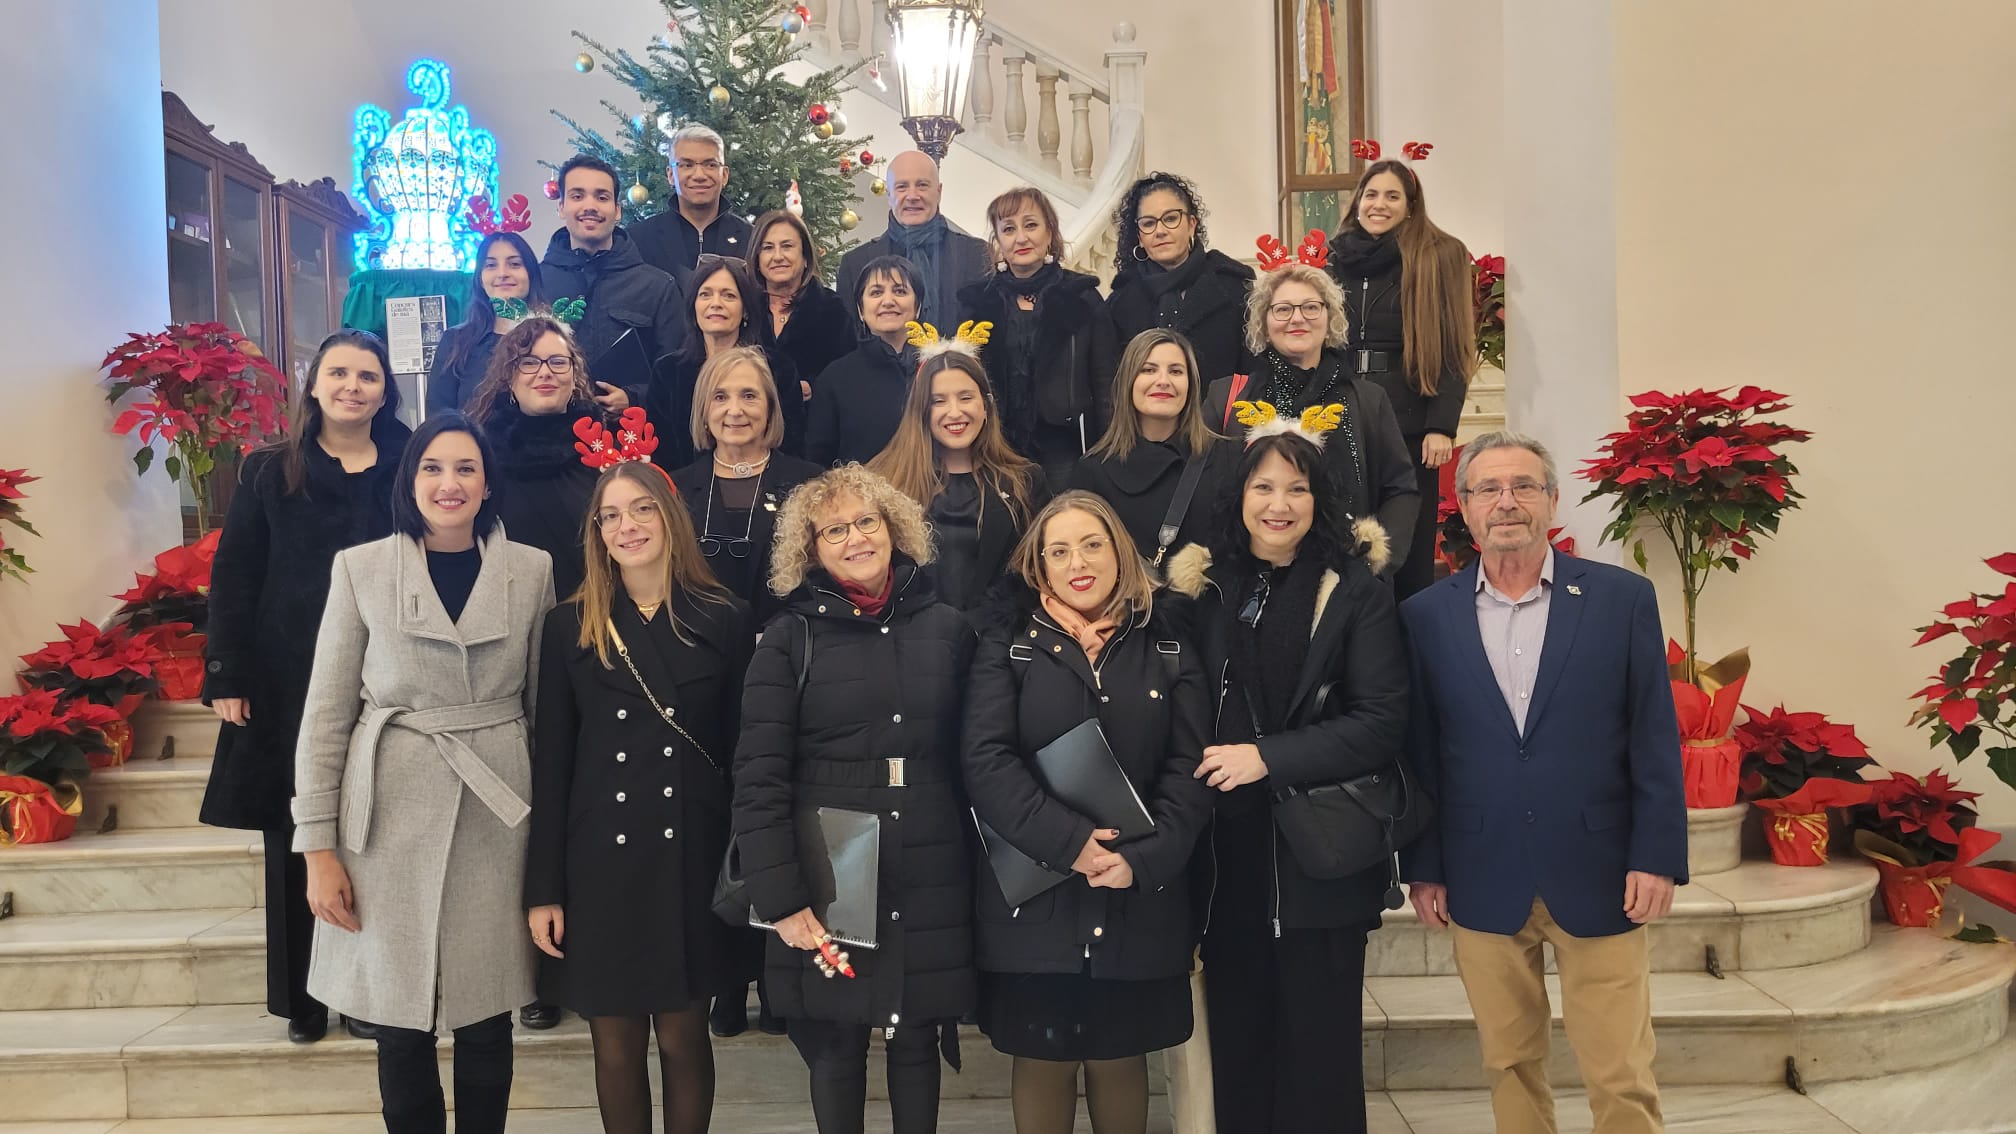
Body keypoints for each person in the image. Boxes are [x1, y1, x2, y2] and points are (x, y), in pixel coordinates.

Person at [1402, 431, 1686, 1134]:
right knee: (1509, 1066)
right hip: (1480, 871)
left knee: (1620, 1071)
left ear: (1552, 500)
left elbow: (1654, 734)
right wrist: (1426, 866)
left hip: (1600, 869)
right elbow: (1423, 753)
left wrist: (1657, 855)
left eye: (1524, 486)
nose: (1507, 502)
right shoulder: (1424, 617)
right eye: (1488, 489)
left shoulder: (1622, 600)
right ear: (1463, 508)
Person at [292, 414, 555, 1134]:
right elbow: (325, 715)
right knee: (396, 1014)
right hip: (385, 812)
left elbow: (545, 709)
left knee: (486, 1012)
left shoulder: (531, 570)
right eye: (433, 468)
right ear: (410, 481)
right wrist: (318, 847)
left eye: (466, 468)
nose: (450, 483)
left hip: (499, 808)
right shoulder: (362, 568)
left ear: (488, 481)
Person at [1163, 428, 1408, 1134]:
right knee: (1239, 1058)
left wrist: (1268, 756)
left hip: (1322, 865)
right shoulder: (1206, 590)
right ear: (1238, 496)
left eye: (1297, 488)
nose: (1279, 504)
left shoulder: (1356, 590)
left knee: (1320, 1067)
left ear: (1320, 497)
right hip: (1225, 864)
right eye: (1263, 487)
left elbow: (1379, 723)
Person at [731, 464, 977, 1134]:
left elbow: (978, 757)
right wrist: (780, 897)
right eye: (833, 529)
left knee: (917, 1036)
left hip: (929, 862)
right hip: (829, 871)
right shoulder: (788, 639)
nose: (855, 537)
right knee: (836, 1042)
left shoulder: (950, 629)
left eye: (867, 521)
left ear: (895, 529)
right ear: (810, 550)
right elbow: (758, 776)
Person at [962, 491, 1213, 1134]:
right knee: (1042, 1058)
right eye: (1059, 550)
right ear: (1038, 567)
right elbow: (986, 761)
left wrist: (1143, 859)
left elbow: (1190, 769)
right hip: (1037, 898)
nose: (1078, 561)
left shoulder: (1169, 641)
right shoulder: (1007, 643)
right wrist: (1071, 843)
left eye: (1093, 544)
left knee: (1119, 1056)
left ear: (1120, 551)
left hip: (1137, 894)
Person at [527, 455, 754, 1134]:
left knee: (685, 1038)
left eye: (641, 509)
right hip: (601, 862)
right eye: (611, 516)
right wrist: (544, 889)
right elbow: (553, 766)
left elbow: (746, 754)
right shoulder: (569, 627)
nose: (627, 526)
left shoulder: (726, 617)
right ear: (596, 533)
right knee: (615, 1044)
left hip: (691, 854)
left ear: (670, 517)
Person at [201, 330, 412, 1044]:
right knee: (295, 834)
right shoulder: (268, 469)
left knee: (372, 834)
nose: (354, 386)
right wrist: (226, 671)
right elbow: (235, 573)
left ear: (386, 389)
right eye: (340, 373)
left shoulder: (409, 461)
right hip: (286, 676)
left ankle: (363, 991)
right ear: (315, 385)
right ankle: (301, 999)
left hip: (383, 678)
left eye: (368, 376)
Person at [1202, 262, 1420, 579]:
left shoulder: (1369, 401)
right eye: (1283, 309)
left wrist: (1376, 564)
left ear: (1330, 318)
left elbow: (1400, 489)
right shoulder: (1227, 398)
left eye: (1310, 307)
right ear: (1264, 323)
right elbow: (1206, 489)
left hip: (1347, 582)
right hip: (1250, 577)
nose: (1297, 318)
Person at [1329, 155, 1476, 599]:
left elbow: (1453, 345)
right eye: (1371, 194)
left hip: (1408, 419)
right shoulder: (1337, 258)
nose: (1379, 204)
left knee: (1404, 541)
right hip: (1342, 409)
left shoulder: (1438, 256)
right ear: (1357, 202)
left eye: (1392, 196)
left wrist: (1440, 425)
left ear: (1410, 205)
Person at [955, 186, 1117, 491]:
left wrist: (1106, 456)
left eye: (1031, 225)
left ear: (1050, 232)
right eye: (1008, 229)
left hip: (1066, 447)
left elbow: (1106, 384)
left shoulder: (1081, 297)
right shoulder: (976, 303)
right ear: (998, 241)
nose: (1021, 238)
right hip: (996, 446)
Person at [867, 347, 1045, 616]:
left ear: (986, 406)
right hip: (909, 639)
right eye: (938, 401)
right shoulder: (883, 482)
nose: (954, 412)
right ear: (921, 412)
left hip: (997, 641)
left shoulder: (1025, 481)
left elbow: (1038, 574)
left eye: (965, 397)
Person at [671, 346, 824, 632]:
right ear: (704, 411)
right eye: (720, 397)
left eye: (749, 396)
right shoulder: (673, 490)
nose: (735, 410)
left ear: (770, 408)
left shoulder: (812, 484)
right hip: (697, 651)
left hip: (790, 651)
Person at [465, 315, 604, 613]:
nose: (545, 373)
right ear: (509, 375)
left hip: (592, 615)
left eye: (558, 361)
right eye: (529, 362)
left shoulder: (603, 448)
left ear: (574, 372)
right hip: (509, 617)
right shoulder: (479, 456)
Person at [1071, 328, 1236, 566]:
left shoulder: (1226, 458)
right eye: (1148, 370)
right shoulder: (1093, 470)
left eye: (1176, 371)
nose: (1163, 381)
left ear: (1191, 384)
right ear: (1128, 381)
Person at [541, 154, 687, 411]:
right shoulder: (536, 283)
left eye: (601, 197)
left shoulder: (656, 287)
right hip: (548, 436)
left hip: (629, 439)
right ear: (561, 207)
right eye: (577, 196)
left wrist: (634, 398)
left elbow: (677, 374)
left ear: (617, 210)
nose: (590, 206)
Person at [651, 254, 805, 468]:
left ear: (746, 310)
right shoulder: (668, 372)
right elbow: (662, 451)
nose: (716, 304)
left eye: (728, 296)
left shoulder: (777, 369)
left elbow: (792, 444)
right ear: (693, 308)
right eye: (705, 295)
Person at [1107, 172, 1256, 389]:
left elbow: (1254, 374)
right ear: (1140, 236)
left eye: (1170, 219)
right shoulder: (1120, 302)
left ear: (1191, 224)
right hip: (1146, 421)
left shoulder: (1234, 288)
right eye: (1148, 223)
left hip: (1219, 420)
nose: (1160, 231)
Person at [835, 151, 989, 333]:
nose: (912, 196)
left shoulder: (978, 255)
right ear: (889, 195)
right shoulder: (856, 263)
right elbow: (849, 339)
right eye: (902, 187)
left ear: (939, 192)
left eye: (922, 185)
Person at [805, 256, 922, 467]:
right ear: (860, 309)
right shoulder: (835, 378)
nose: (888, 301)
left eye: (900, 291)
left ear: (918, 306)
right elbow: (818, 461)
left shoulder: (939, 367)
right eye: (876, 292)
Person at [427, 231, 549, 416]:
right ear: (481, 280)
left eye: (514, 264)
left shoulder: (552, 338)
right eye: (491, 265)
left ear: (531, 275)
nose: (502, 274)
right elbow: (437, 415)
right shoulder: (456, 341)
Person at [751, 208, 854, 399]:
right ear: (757, 260)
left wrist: (814, 388)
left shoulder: (832, 310)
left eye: (787, 246)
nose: (778, 256)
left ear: (805, 257)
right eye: (767, 248)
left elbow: (848, 375)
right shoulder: (744, 309)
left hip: (814, 422)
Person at [632, 124, 753, 279]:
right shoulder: (640, 239)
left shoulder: (751, 239)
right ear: (670, 175)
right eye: (687, 165)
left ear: (724, 175)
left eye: (710, 165)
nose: (699, 175)